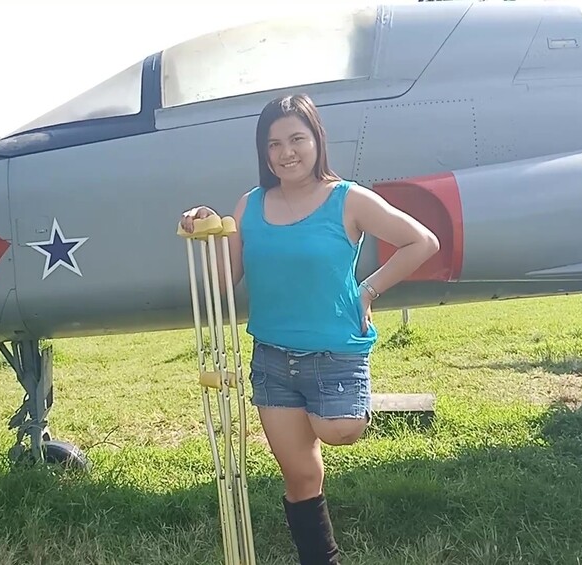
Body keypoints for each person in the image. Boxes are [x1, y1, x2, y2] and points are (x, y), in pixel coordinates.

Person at [179, 93, 440, 564]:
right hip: (273, 360)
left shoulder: (348, 199)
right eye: (274, 143)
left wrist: (367, 291)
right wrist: (208, 227)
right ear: (264, 152)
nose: (286, 152)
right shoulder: (250, 205)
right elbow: (223, 282)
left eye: (297, 139)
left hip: (335, 354)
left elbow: (422, 241)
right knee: (300, 476)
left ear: (317, 140)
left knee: (341, 430)